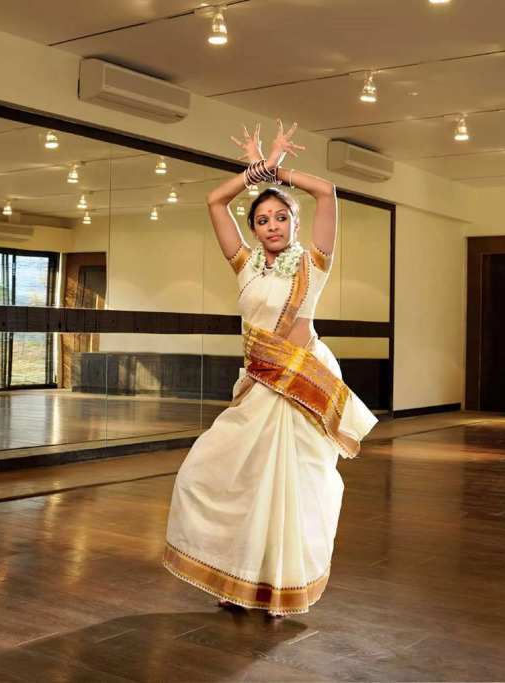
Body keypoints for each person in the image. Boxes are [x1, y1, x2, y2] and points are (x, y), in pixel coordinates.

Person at [162, 120, 378, 618]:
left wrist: (279, 172)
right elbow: (215, 201)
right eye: (262, 220)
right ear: (254, 229)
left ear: (295, 224)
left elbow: (326, 192)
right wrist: (254, 173)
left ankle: (281, 587)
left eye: (281, 217)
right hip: (259, 386)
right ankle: (236, 578)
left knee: (290, 491)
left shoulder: (313, 265)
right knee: (225, 478)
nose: (272, 226)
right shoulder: (244, 265)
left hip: (301, 386)